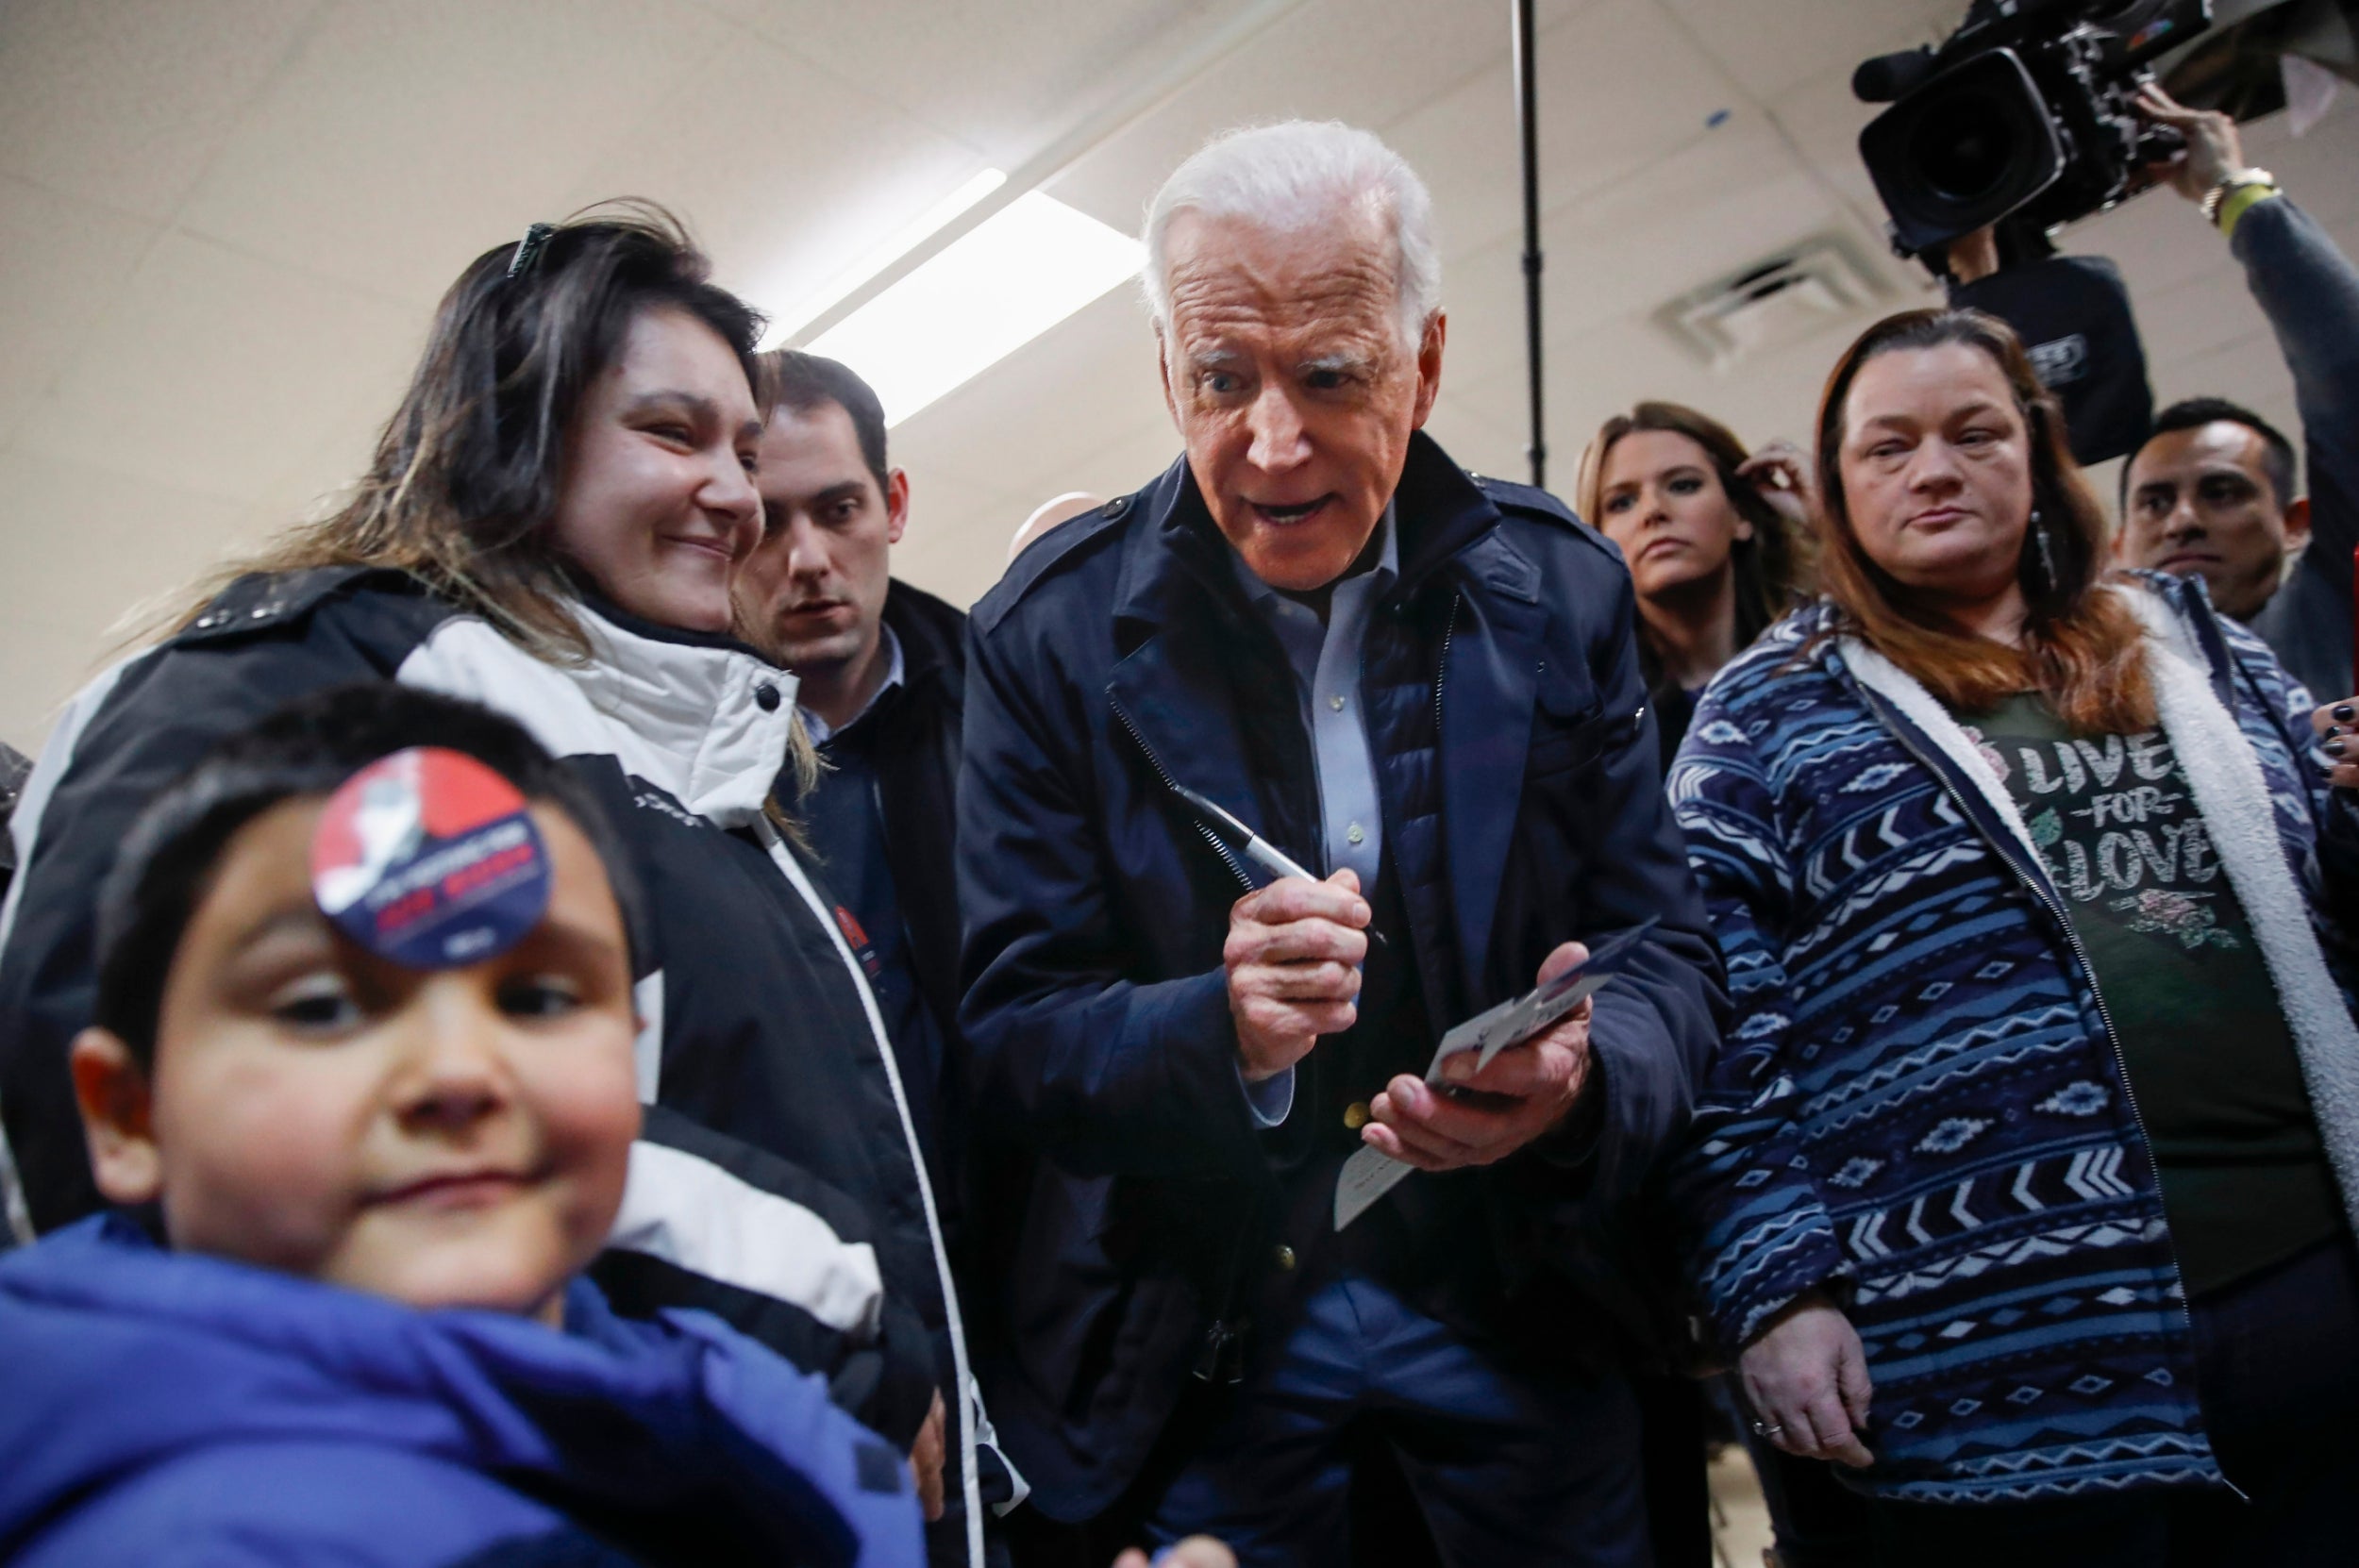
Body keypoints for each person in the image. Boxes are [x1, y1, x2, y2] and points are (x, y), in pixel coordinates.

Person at [0, 208, 979, 1558]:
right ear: (515, 428)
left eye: (743, 450)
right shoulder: (331, 666)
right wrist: (824, 1312)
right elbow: (122, 1050)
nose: (738, 494)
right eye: (674, 432)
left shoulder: (690, 752)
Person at [956, 120, 1725, 1566]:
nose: (1271, 442)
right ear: (1165, 374)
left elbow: (1667, 948)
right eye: (1220, 378)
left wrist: (1585, 1073)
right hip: (1204, 1341)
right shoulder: (1041, 642)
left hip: (1528, 1311)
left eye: (1329, 375)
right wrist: (1220, 1027)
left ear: (1425, 364)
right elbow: (1010, 1031)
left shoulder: (1559, 590)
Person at [1671, 305, 2359, 1565]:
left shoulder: (2195, 641)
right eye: (1889, 446)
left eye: (1975, 431)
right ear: (1835, 489)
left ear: (2039, 456)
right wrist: (1778, 1283)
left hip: (2310, 1280)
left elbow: (2329, 902)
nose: (1935, 467)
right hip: (1994, 1344)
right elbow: (1716, 1027)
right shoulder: (1760, 715)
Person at [0, 683, 924, 1568]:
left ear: (629, 1041)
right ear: (128, 1117)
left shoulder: (744, 1415)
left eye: (537, 997)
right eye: (321, 1007)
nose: (460, 1072)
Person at [733, 349, 1019, 1558]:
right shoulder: (677, 781)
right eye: (765, 521)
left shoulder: (1017, 716)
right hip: (822, 1350)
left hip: (1035, 1313)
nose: (806, 560)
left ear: (892, 506)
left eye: (838, 510)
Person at [2114, 84, 2359, 703]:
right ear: (2119, 547)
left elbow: (2346, 369)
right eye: (2154, 502)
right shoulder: (2083, 686)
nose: (2184, 522)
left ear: (2294, 523)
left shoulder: (2326, 616)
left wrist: (2233, 191)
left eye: (2222, 492)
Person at [1577, 404, 1815, 769]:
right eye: (1621, 502)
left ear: (1740, 516)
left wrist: (1827, 521)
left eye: (1683, 484)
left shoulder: (1832, 654)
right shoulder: (1588, 726)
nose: (1653, 510)